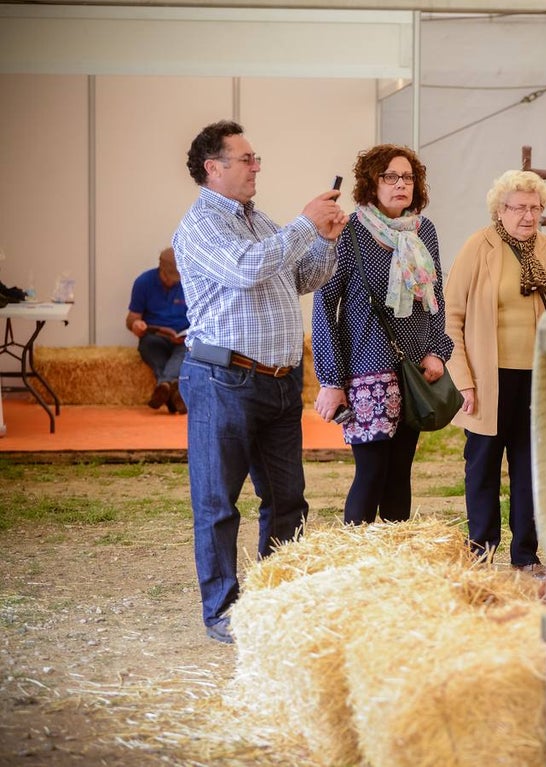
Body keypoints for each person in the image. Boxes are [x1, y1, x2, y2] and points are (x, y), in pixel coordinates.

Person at [173, 120, 347, 644]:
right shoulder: (201, 224)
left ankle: (275, 597)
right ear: (214, 167)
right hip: (222, 378)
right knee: (219, 502)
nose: (256, 167)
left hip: (277, 381)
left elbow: (299, 278)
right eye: (246, 159)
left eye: (255, 159)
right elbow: (246, 269)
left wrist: (326, 242)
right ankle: (223, 610)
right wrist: (302, 226)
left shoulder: (261, 221)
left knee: (288, 498)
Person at [312, 144, 453, 526]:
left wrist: (437, 351)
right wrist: (330, 379)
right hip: (364, 373)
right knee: (371, 473)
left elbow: (435, 297)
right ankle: (358, 563)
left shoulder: (425, 231)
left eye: (407, 177)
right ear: (371, 184)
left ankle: (392, 567)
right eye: (389, 176)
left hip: (412, 373)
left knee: (399, 474)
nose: (400, 184)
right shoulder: (350, 231)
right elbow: (325, 306)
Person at [444, 170, 546, 576]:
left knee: (529, 467)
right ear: (500, 210)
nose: (528, 216)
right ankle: (482, 550)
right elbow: (450, 318)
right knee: (484, 464)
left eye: (535, 208)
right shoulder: (479, 247)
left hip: (536, 379)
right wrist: (464, 380)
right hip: (488, 378)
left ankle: (525, 553)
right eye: (519, 207)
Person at [125, 247, 189, 414]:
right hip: (155, 337)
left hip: (182, 338)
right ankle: (173, 389)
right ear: (160, 268)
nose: (172, 281)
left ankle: (164, 385)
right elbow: (131, 318)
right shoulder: (143, 282)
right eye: (169, 276)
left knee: (185, 351)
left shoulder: (189, 284)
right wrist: (136, 325)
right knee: (148, 346)